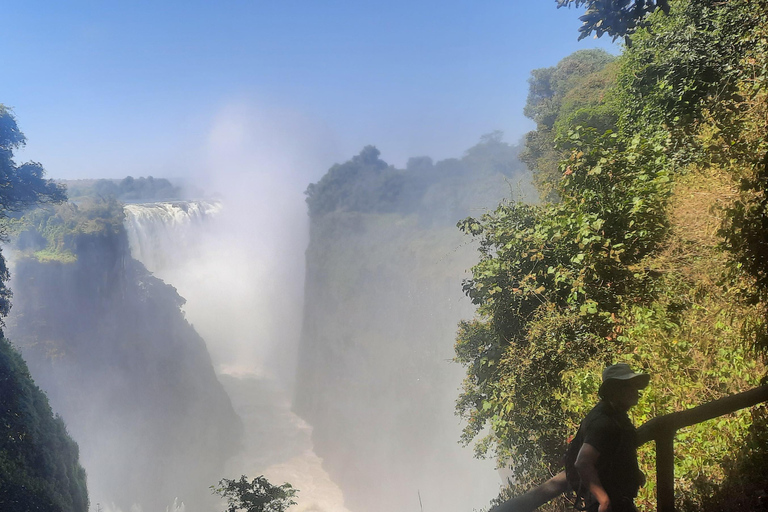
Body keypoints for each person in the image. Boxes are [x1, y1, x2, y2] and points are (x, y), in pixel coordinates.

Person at [572, 363, 649, 512]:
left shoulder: (617, 415)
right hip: (608, 504)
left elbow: (613, 451)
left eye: (635, 386)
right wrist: (604, 501)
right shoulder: (603, 422)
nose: (635, 391)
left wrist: (632, 472)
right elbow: (582, 463)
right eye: (629, 386)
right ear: (613, 390)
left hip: (620, 501)